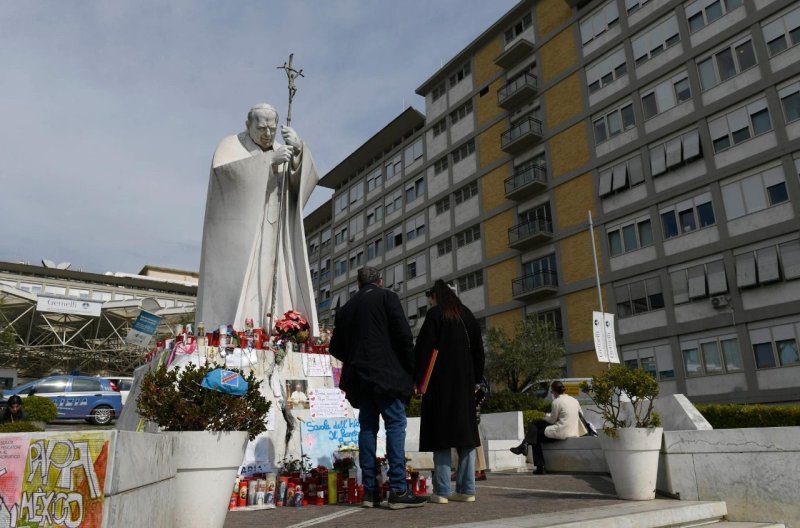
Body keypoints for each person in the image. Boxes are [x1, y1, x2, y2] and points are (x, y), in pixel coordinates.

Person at [197, 102, 319, 334]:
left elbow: (298, 189)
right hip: (244, 235)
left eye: (272, 129)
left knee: (276, 282)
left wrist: (298, 153)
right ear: (248, 125)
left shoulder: (281, 149)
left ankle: (276, 328)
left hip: (275, 233)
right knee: (244, 286)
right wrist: (267, 163)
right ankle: (237, 330)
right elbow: (224, 176)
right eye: (262, 128)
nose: (267, 134)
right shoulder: (230, 145)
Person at [329, 267, 426, 510]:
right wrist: (412, 371)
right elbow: (404, 337)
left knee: (368, 428)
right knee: (395, 424)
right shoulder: (387, 297)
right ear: (380, 281)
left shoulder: (346, 309)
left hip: (360, 379)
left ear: (358, 284)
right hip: (386, 375)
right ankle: (398, 489)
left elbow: (335, 347)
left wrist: (355, 358)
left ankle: (369, 492)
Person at [414, 280, 485, 504]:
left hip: (439, 385)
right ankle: (467, 490)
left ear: (435, 297)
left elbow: (423, 349)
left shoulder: (435, 315)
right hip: (464, 385)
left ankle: (442, 492)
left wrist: (417, 380)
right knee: (466, 437)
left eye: (430, 298)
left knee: (441, 436)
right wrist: (475, 380)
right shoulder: (467, 315)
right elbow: (479, 351)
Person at [509, 380, 587, 474]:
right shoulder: (574, 400)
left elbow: (552, 420)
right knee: (536, 425)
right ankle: (524, 445)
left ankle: (538, 465)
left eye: (551, 392)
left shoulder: (556, 402)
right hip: (573, 430)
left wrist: (545, 416)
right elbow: (580, 414)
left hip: (561, 432)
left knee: (535, 434)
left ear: (554, 391)